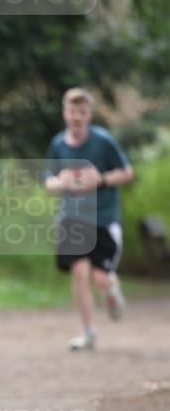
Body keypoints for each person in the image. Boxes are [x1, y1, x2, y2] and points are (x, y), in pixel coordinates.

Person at [45, 87, 134, 351]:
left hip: (104, 218)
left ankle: (111, 289)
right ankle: (88, 332)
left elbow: (127, 172)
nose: (77, 117)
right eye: (72, 111)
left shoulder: (103, 141)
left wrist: (102, 179)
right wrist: (59, 181)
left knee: (101, 278)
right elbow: (49, 179)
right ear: (65, 113)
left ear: (89, 115)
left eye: (82, 112)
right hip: (72, 219)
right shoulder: (58, 144)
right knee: (79, 272)